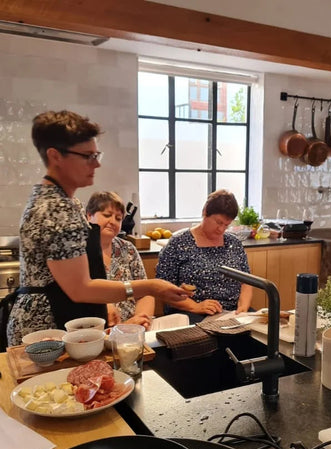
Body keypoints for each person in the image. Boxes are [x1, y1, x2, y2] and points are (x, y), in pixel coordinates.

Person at [6, 110, 190, 346]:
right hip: (47, 331)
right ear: (55, 156)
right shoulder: (56, 207)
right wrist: (152, 286)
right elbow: (80, 289)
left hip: (59, 322)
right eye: (87, 156)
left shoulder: (59, 200)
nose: (97, 163)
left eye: (96, 154)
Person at [156, 189, 253, 324]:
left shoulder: (234, 243)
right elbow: (162, 288)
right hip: (191, 312)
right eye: (218, 222)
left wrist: (243, 308)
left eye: (227, 225)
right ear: (205, 211)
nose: (221, 229)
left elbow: (246, 281)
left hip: (232, 312)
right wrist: (196, 306)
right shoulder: (179, 242)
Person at [86, 191, 154, 330]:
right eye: (106, 215)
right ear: (89, 216)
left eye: (118, 218)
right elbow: (80, 295)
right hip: (95, 333)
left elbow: (145, 293)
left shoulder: (128, 249)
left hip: (132, 331)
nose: (112, 221)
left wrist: (140, 320)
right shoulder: (78, 250)